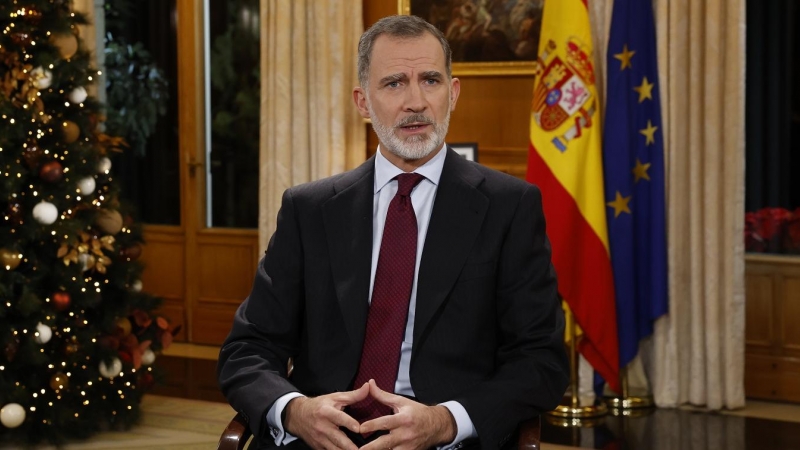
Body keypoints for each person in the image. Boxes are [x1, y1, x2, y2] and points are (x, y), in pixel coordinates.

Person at [217, 14, 569, 450]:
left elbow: (542, 361)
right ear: (363, 102)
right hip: (321, 438)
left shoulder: (509, 206)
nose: (416, 102)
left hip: (442, 441)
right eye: (394, 83)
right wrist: (294, 410)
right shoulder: (308, 209)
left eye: (431, 80)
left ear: (452, 93)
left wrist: (446, 421)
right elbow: (248, 348)